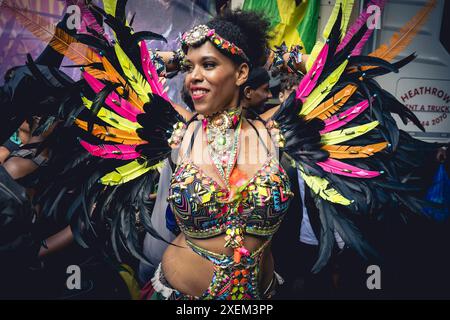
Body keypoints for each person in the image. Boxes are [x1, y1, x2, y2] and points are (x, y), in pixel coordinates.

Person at [3, 1, 444, 301]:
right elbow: (120, 69)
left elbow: (344, 82)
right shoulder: (172, 132)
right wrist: (174, 62)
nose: (194, 77)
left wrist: (290, 60)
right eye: (189, 67)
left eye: (209, 65)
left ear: (243, 72)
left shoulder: (283, 135)